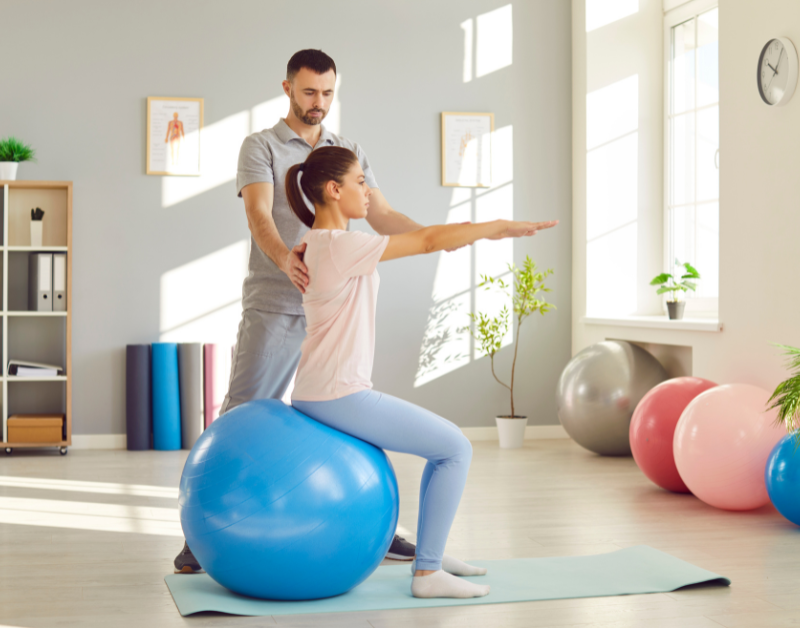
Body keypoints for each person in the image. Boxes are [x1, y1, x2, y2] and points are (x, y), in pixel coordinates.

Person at [174, 49, 436, 573]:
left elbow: (379, 213)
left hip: (337, 304)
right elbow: (258, 213)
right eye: (310, 91)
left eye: (328, 93)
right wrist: (284, 261)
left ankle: (373, 527)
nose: (320, 103)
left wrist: (435, 238)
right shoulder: (261, 145)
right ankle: (199, 532)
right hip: (276, 302)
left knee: (350, 415)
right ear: (289, 88)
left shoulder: (347, 149)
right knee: (245, 408)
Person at [286, 146, 558, 598]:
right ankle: (428, 574)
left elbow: (426, 237)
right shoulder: (340, 245)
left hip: (321, 389)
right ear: (333, 190)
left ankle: (431, 554)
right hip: (338, 393)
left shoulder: (320, 243)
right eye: (359, 182)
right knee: (456, 447)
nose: (368, 192)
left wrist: (467, 234)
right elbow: (428, 241)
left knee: (445, 449)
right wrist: (499, 229)